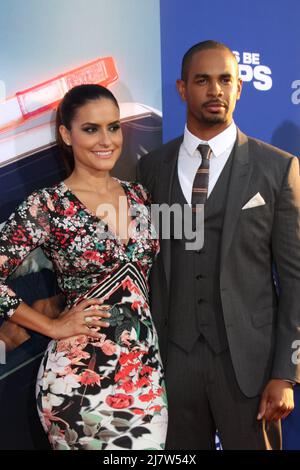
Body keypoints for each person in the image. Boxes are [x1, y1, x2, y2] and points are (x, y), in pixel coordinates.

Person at [138, 40, 300, 450]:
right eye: (203, 80)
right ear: (181, 89)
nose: (216, 91)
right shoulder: (151, 168)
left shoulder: (277, 168)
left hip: (250, 365)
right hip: (171, 363)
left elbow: (297, 280)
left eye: (226, 79)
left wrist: (286, 371)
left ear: (240, 87)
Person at [0, 84, 168, 450]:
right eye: (90, 128)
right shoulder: (47, 205)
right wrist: (51, 326)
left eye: (113, 126)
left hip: (144, 375)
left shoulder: (139, 196)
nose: (105, 139)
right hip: (78, 382)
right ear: (66, 134)